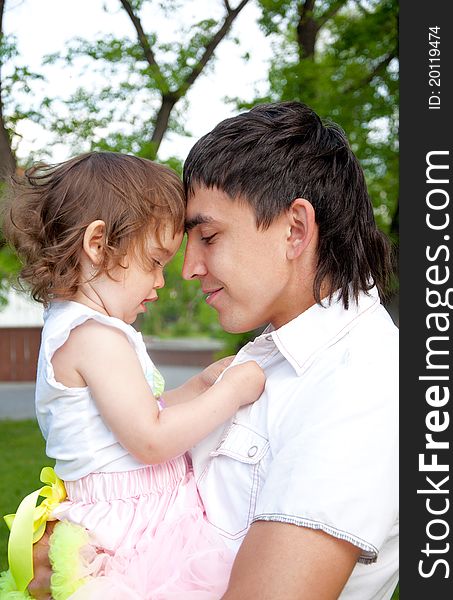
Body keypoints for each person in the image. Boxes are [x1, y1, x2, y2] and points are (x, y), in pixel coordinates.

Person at [26, 100, 398, 600]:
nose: (187, 268)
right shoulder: (276, 354)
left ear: (295, 230)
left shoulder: (360, 383)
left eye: (208, 236)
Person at [0, 152, 265, 599]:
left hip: (138, 516)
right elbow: (150, 439)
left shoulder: (86, 329)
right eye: (155, 261)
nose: (162, 282)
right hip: (133, 537)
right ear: (98, 244)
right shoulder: (94, 337)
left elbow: (143, 413)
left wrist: (202, 386)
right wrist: (232, 393)